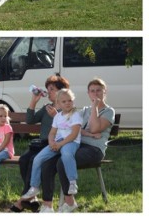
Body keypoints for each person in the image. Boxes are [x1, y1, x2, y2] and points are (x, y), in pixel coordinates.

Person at [39, 78, 115, 213]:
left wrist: (94, 108)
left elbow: (95, 128)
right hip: (77, 145)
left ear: (105, 92)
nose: (95, 94)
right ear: (88, 93)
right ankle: (47, 205)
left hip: (94, 150)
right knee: (47, 162)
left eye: (99, 91)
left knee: (62, 161)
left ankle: (69, 202)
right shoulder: (83, 110)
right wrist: (59, 117)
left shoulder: (109, 111)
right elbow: (72, 128)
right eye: (92, 91)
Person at [11, 74, 68, 212]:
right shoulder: (47, 107)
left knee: (32, 161)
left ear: (61, 91)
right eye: (48, 89)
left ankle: (23, 199)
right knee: (24, 159)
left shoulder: (66, 109)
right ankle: (31, 198)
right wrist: (34, 101)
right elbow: (30, 120)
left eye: (52, 89)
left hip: (53, 145)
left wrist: (57, 116)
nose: (48, 92)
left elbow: (68, 130)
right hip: (40, 144)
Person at [21, 89, 82, 204]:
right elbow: (52, 133)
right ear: (58, 103)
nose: (67, 103)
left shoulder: (75, 115)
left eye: (70, 100)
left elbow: (74, 134)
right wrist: (51, 142)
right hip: (58, 142)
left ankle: (72, 182)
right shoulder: (58, 116)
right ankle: (34, 187)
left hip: (71, 142)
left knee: (66, 154)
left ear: (73, 101)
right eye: (64, 101)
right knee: (38, 158)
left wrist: (60, 144)